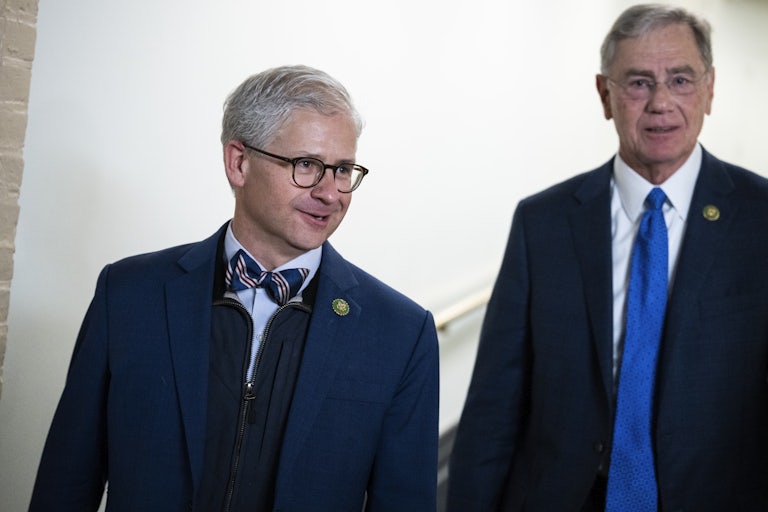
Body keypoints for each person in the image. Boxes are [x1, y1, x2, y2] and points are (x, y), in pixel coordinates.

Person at [29, 65, 439, 511]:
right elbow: (66, 483)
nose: (330, 192)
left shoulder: (401, 332)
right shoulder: (128, 295)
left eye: (342, 170)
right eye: (306, 165)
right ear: (239, 162)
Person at [447, 4, 768, 511]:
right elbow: (493, 409)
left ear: (709, 90)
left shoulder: (760, 219)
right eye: (639, 83)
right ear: (605, 95)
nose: (661, 103)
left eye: (680, 79)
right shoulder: (543, 223)